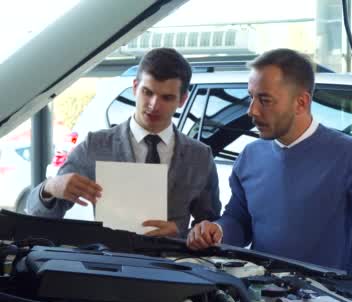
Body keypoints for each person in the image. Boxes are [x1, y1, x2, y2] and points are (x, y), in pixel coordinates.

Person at [187, 48, 352, 297]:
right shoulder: (250, 156)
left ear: (301, 102)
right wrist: (219, 230)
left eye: (265, 100)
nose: (252, 111)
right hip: (258, 296)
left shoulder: (350, 155)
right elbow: (240, 220)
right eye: (251, 97)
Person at [26, 48, 221, 238]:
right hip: (110, 265)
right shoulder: (96, 145)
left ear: (182, 100)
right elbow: (38, 215)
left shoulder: (200, 156)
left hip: (171, 264)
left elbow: (210, 227)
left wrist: (181, 236)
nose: (154, 105)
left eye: (167, 97)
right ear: (135, 87)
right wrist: (49, 187)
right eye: (147, 92)